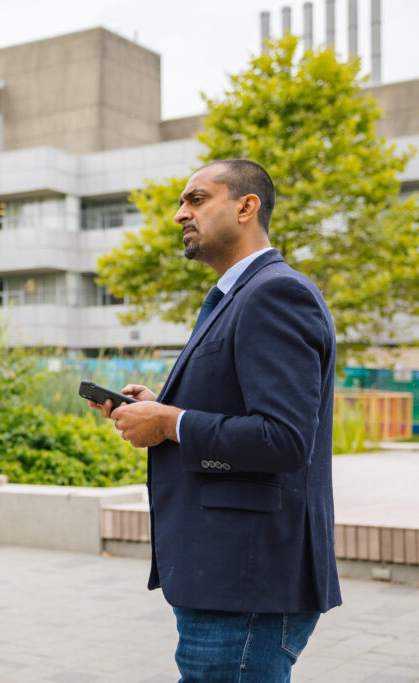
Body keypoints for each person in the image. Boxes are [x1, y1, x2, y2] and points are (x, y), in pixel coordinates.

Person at [92, 160, 340, 681]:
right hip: (231, 579)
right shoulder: (238, 297)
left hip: (246, 582)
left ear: (246, 207)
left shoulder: (274, 293)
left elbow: (286, 439)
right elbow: (245, 411)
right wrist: (159, 406)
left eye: (197, 199)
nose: (181, 213)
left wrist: (170, 423)